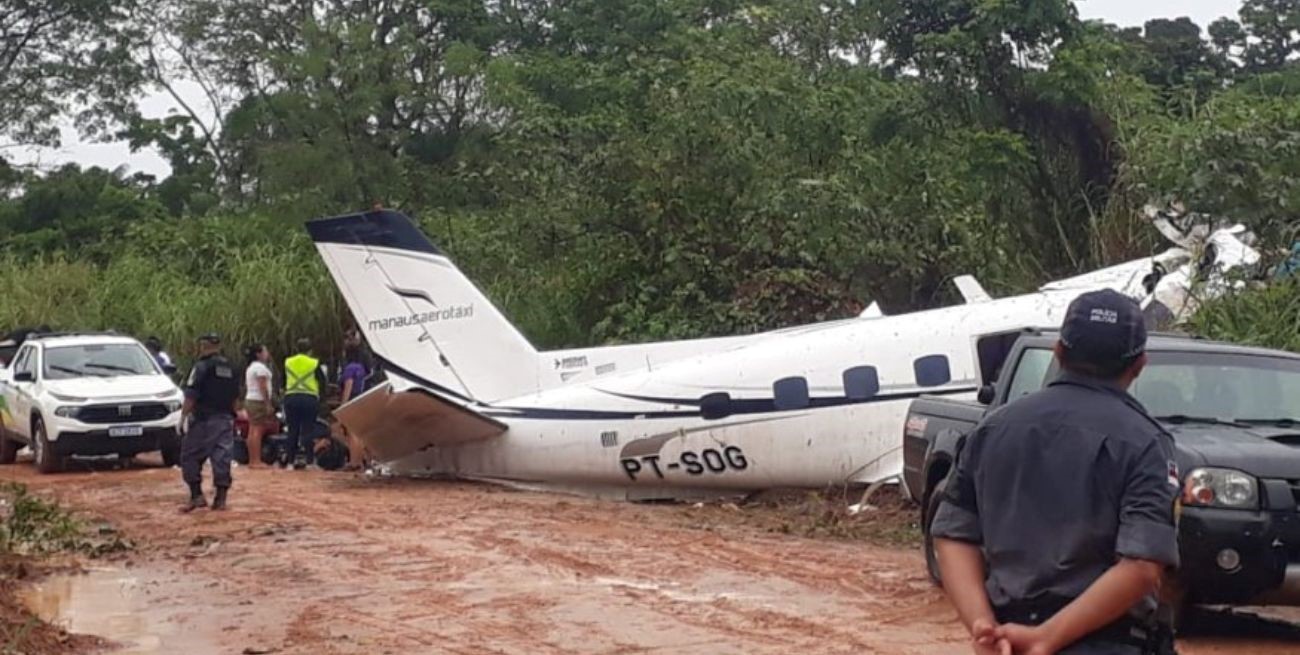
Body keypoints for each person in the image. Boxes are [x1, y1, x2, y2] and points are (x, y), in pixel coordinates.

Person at [931, 289, 1180, 655]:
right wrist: (1047, 637)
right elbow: (1142, 566)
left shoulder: (994, 428)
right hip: (1107, 643)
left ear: (1059, 352)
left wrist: (982, 625)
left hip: (1008, 640)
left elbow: (952, 535)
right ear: (1139, 364)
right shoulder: (1145, 442)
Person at [179, 333, 240, 512]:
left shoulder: (201, 366)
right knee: (222, 457)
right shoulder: (231, 368)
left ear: (203, 346)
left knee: (189, 455)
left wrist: (183, 416)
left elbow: (192, 394)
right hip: (225, 419)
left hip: (204, 420)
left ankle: (196, 496)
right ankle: (221, 499)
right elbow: (236, 397)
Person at [283, 337, 327, 470]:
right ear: (310, 350)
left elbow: (282, 380)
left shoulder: (288, 362)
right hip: (309, 398)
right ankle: (309, 461)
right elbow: (322, 381)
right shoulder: (314, 362)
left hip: (291, 397)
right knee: (308, 430)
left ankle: (290, 462)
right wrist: (322, 397)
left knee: (292, 430)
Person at [243, 343, 275, 468]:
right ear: (258, 354)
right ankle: (256, 460)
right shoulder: (260, 368)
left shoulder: (251, 367)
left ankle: (252, 459)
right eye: (265, 351)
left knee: (252, 430)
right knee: (257, 430)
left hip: (250, 399)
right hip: (258, 401)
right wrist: (267, 403)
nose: (267, 354)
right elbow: (263, 387)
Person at [337, 345, 369, 471]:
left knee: (351, 432)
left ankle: (353, 461)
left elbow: (348, 385)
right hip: (362, 399)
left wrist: (344, 404)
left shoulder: (350, 368)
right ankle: (360, 461)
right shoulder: (362, 368)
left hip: (352, 399)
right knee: (359, 432)